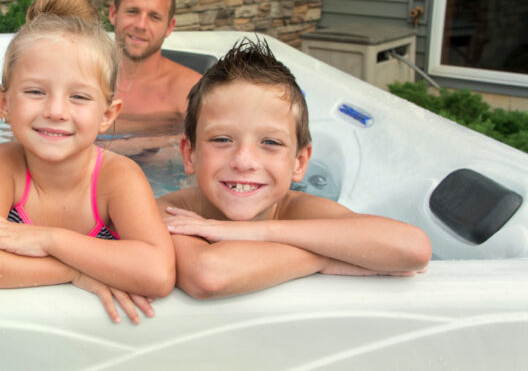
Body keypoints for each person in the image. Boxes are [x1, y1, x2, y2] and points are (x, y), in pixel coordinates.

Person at [0, 0, 175, 324]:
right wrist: (72, 272)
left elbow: (157, 273)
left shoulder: (117, 177)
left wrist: (47, 239)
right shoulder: (3, 164)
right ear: (3, 102)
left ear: (107, 115)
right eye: (36, 92)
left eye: (79, 97)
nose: (55, 111)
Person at [158, 38, 432, 299]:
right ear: (190, 154)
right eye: (222, 139)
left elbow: (414, 248)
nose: (243, 162)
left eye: (270, 142)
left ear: (299, 163)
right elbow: (208, 275)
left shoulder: (296, 209)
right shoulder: (170, 213)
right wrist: (324, 256)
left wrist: (254, 233)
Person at [106, 0, 202, 132]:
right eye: (133, 12)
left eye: (154, 17)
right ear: (113, 14)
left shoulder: (188, 90)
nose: (141, 25)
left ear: (169, 27)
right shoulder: (83, 76)